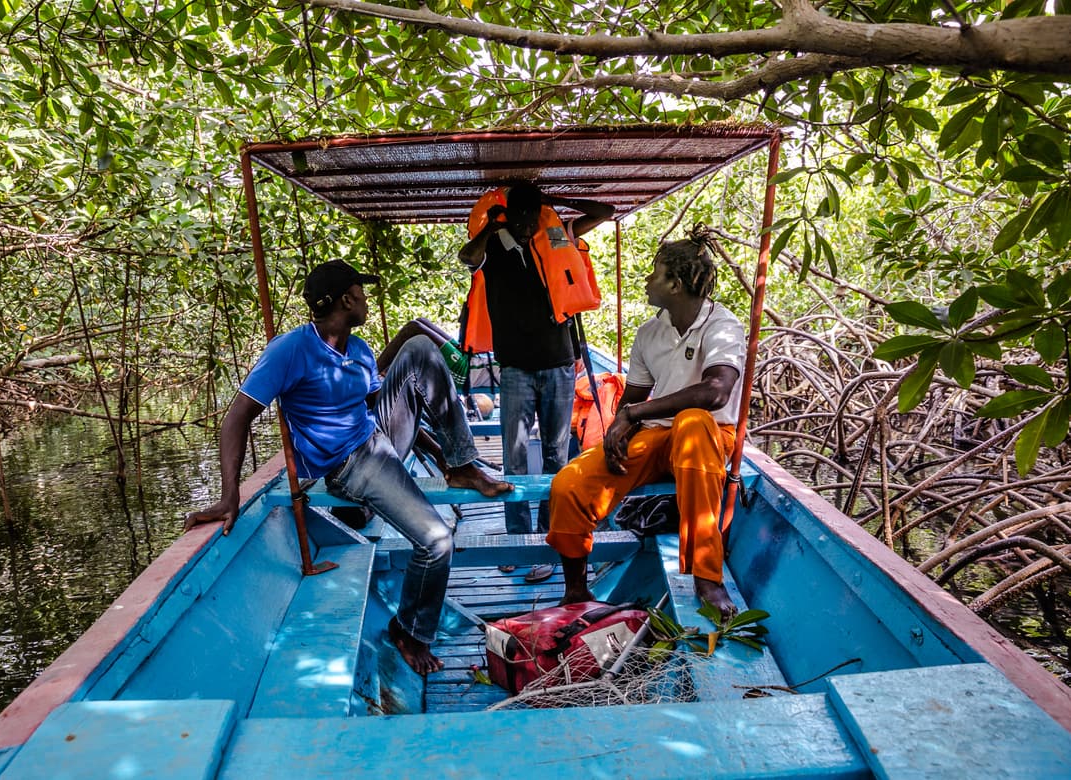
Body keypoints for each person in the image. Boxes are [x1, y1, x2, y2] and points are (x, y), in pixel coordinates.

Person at [184, 260, 513, 675]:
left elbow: (385, 405)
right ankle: (409, 631)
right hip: (350, 463)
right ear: (346, 299)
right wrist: (229, 495)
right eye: (361, 291)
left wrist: (445, 458)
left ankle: (463, 465)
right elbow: (235, 419)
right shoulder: (290, 350)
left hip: (376, 438)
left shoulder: (358, 350)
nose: (366, 299)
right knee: (436, 543)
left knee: (419, 347)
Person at [545, 235, 747, 621]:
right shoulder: (649, 333)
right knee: (569, 485)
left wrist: (635, 412)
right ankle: (575, 589)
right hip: (655, 436)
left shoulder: (722, 326)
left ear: (675, 284)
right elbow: (632, 398)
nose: (646, 280)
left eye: (655, 274)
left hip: (706, 438)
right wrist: (621, 425)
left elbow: (716, 391)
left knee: (692, 421)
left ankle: (707, 577)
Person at [458, 182, 614, 583]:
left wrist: (556, 206)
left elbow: (603, 211)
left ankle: (549, 539)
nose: (528, 226)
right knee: (513, 459)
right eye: (522, 216)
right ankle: (517, 540)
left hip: (560, 365)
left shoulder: (557, 235)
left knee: (556, 457)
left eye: (533, 216)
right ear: (510, 213)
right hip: (515, 370)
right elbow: (466, 257)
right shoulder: (492, 246)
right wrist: (492, 229)